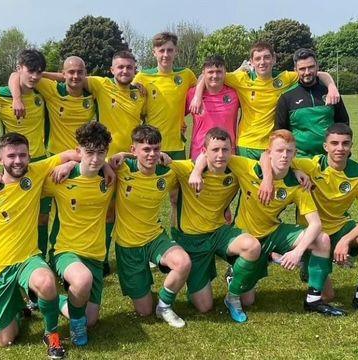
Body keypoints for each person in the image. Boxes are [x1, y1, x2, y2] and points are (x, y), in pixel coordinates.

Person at [191, 129, 346, 320]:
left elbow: (315, 224)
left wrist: (297, 252)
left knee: (321, 239)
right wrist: (197, 171)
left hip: (274, 232)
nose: (284, 155)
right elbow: (206, 155)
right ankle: (237, 277)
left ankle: (313, 300)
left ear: (295, 154)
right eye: (279, 150)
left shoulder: (298, 183)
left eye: (289, 151)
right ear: (269, 153)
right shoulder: (246, 166)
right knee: (248, 301)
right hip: (245, 237)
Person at [41, 51, 147, 275]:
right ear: (111, 70)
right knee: (72, 208)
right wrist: (51, 74)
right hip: (97, 158)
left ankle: (104, 256)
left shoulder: (140, 93)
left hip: (126, 160)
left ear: (135, 70)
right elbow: (69, 77)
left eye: (129, 67)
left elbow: (144, 120)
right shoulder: (101, 84)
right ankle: (57, 254)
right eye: (120, 67)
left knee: (115, 211)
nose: (124, 71)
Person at [0, 132, 72, 357]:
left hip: (28, 258)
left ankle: (51, 333)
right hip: (0, 266)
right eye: (11, 156)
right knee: (6, 340)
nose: (18, 161)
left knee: (46, 281)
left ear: (29, 156)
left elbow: (73, 153)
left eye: (22, 155)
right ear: (0, 160)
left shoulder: (35, 172)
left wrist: (70, 164)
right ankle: (22, 303)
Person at [292, 123, 358, 316]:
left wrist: (345, 240)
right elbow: (273, 158)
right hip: (315, 234)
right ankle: (309, 265)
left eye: (345, 143)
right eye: (334, 143)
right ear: (325, 146)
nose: (340, 148)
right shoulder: (310, 165)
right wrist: (295, 171)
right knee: (327, 296)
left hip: (341, 228)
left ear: (351, 145)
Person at [168, 128, 260, 323]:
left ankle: (232, 295)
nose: (220, 155)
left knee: (251, 249)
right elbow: (159, 159)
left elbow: (270, 160)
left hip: (219, 233)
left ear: (232, 150)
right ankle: (191, 276)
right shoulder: (185, 169)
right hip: (193, 241)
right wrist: (195, 170)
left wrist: (295, 170)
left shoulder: (237, 167)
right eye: (215, 149)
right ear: (204, 151)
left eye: (225, 149)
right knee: (204, 307)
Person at [190, 41, 340, 160]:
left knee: (271, 190)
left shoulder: (284, 77)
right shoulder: (240, 78)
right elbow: (209, 75)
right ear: (252, 62)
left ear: (274, 59)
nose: (262, 62)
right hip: (247, 144)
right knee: (249, 191)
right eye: (258, 58)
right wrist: (197, 96)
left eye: (267, 57)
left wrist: (332, 87)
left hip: (272, 144)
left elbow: (316, 73)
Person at [109, 125, 191, 328]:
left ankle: (164, 305)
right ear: (133, 149)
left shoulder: (168, 171)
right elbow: (88, 160)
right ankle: (147, 290)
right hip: (128, 246)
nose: (152, 154)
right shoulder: (120, 167)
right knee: (144, 312)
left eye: (156, 149)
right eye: (146, 149)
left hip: (155, 237)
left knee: (183, 263)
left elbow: (202, 163)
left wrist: (196, 172)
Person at [42, 121, 115, 346]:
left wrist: (110, 165)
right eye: (89, 152)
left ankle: (51, 301)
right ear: (78, 151)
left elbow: (135, 158)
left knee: (91, 319)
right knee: (82, 280)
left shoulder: (110, 178)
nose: (95, 159)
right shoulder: (59, 178)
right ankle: (75, 325)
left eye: (100, 153)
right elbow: (27, 178)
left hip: (95, 255)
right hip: (66, 250)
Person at [0, 49, 52, 257]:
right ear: (19, 69)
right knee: (15, 215)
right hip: (13, 165)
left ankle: (41, 256)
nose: (34, 76)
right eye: (30, 70)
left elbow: (59, 76)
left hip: (40, 162)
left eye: (39, 72)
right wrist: (15, 97)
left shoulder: (42, 91)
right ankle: (15, 257)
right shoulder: (0, 96)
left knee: (42, 216)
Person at [8, 56, 96, 155]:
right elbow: (17, 75)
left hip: (83, 155)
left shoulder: (94, 94)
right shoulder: (52, 90)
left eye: (80, 72)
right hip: (57, 156)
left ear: (85, 73)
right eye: (71, 72)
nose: (75, 76)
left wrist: (43, 73)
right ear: (63, 74)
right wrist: (17, 99)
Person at [275, 48, 350, 159]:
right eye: (302, 69)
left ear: (317, 67)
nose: (307, 72)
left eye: (311, 67)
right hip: (300, 160)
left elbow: (343, 124)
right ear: (295, 70)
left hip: (330, 160)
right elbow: (280, 132)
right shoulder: (287, 97)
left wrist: (343, 150)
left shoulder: (331, 93)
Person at [133, 31, 197, 160]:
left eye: (170, 50)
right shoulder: (142, 77)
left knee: (177, 180)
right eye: (161, 50)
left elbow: (206, 84)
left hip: (177, 144)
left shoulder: (186, 75)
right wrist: (132, 85)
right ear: (154, 53)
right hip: (151, 145)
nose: (166, 55)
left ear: (176, 52)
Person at [186, 56, 239, 161]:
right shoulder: (192, 94)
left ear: (225, 73)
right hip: (200, 154)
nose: (215, 76)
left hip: (226, 154)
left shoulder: (235, 93)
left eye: (219, 71)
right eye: (210, 72)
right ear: (203, 73)